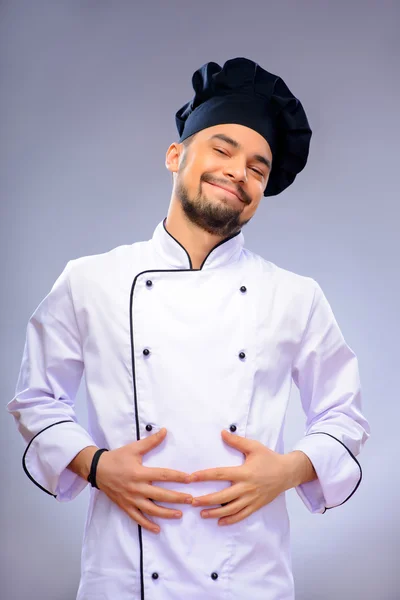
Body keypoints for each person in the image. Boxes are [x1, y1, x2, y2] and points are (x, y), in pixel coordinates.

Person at [6, 57, 370, 600]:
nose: (237, 172)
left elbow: (343, 415)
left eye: (257, 167)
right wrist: (97, 466)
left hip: (249, 573)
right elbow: (36, 400)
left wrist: (288, 471)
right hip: (125, 573)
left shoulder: (295, 296)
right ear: (177, 155)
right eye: (222, 149)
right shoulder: (90, 280)